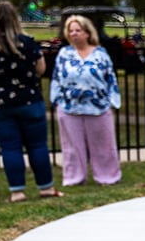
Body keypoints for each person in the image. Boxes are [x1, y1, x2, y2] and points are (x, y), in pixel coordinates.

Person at [0, 2, 62, 201]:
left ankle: (17, 191)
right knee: (37, 145)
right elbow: (41, 69)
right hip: (28, 100)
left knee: (10, 147)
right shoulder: (27, 42)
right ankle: (46, 188)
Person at [49, 15, 122, 186]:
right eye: (71, 30)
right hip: (69, 107)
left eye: (78, 30)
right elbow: (56, 78)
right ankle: (74, 178)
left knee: (104, 146)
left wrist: (113, 101)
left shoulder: (100, 54)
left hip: (98, 106)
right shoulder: (64, 54)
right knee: (72, 148)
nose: (74, 34)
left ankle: (107, 177)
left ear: (87, 33)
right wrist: (56, 100)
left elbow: (110, 78)